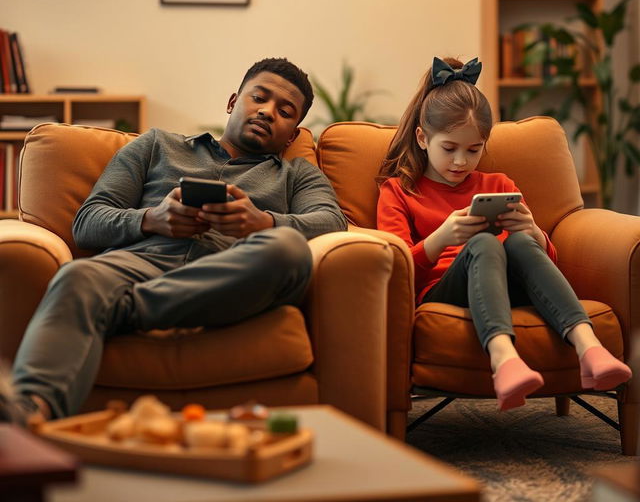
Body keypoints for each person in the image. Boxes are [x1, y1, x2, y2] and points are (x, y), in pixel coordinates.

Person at [1, 57, 348, 424]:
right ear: (233, 102)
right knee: (76, 277)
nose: (267, 112)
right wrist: (153, 219)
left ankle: (119, 309)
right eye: (258, 98)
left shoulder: (298, 174)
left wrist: (261, 223)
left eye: (285, 110)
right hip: (140, 262)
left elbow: (331, 222)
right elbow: (88, 221)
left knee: (286, 250)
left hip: (232, 271)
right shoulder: (156, 145)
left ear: (293, 134)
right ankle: (29, 414)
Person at [376, 56, 631, 411]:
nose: (461, 162)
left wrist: (535, 233)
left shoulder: (498, 185)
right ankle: (504, 360)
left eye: (473, 150)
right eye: (449, 148)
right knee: (482, 241)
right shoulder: (399, 191)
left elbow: (543, 260)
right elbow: (393, 269)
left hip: (508, 286)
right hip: (444, 291)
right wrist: (440, 239)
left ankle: (589, 349)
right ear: (422, 137)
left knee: (522, 240)